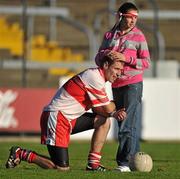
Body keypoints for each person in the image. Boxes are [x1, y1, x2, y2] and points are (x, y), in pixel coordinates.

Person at [5, 54, 127, 172]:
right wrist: (118, 104)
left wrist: (112, 114)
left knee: (103, 121)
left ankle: (93, 165)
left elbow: (99, 110)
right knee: (61, 169)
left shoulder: (97, 77)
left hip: (66, 118)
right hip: (56, 117)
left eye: (121, 70)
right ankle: (21, 153)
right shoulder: (94, 77)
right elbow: (108, 108)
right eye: (116, 68)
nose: (118, 73)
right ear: (105, 65)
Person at [95, 2, 151, 172]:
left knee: (127, 124)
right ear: (120, 16)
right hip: (116, 83)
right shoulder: (109, 35)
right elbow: (98, 58)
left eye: (135, 17)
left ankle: (124, 163)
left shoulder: (139, 36)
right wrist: (106, 54)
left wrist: (125, 58)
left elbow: (146, 62)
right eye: (129, 17)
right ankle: (137, 161)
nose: (133, 20)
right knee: (125, 123)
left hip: (133, 84)